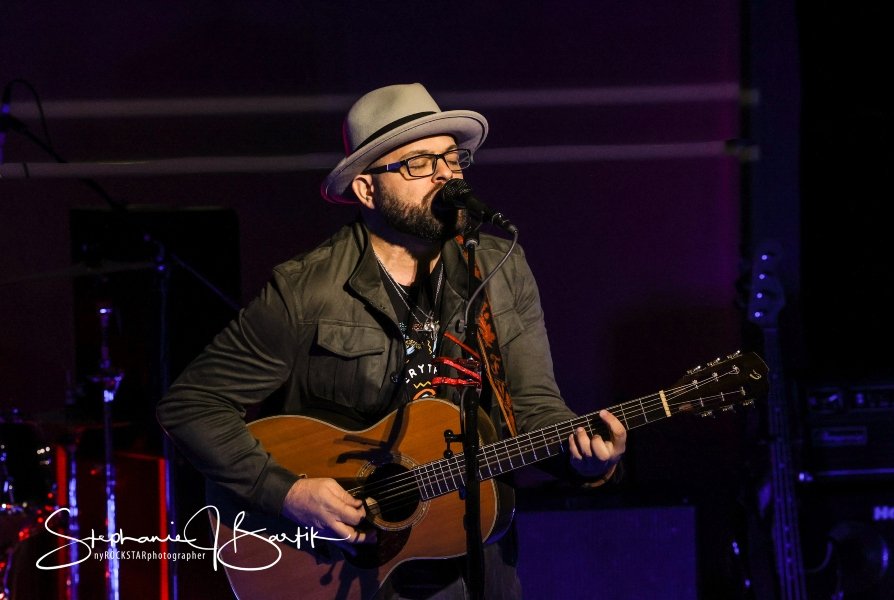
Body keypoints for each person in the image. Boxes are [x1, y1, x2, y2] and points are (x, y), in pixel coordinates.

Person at [156, 82, 626, 599]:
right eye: (419, 164)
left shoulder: (498, 267)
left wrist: (585, 460)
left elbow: (533, 407)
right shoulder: (307, 290)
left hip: (472, 552)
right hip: (344, 561)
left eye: (452, 158)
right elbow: (191, 406)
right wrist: (288, 493)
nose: (446, 175)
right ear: (366, 189)